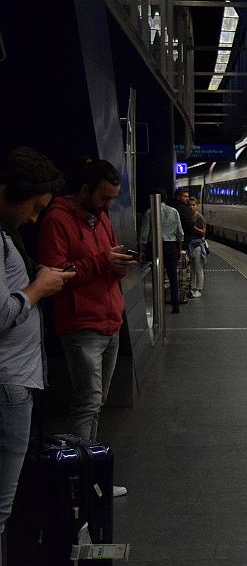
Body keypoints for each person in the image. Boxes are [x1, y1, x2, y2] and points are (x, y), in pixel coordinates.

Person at [36, 158, 134, 498]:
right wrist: (102, 263)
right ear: (84, 189)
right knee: (87, 402)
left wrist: (117, 266)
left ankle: (89, 470)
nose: (108, 206)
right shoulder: (57, 221)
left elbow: (105, 260)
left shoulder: (102, 218)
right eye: (104, 198)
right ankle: (81, 481)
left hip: (110, 320)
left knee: (98, 401)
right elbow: (56, 275)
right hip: (81, 325)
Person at [0, 148, 74, 551]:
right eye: (34, 207)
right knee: (1, 505)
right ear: (13, 190)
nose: (33, 218)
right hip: (7, 382)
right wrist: (38, 288)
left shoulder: (7, 234)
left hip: (14, 381)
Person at [138, 190, 184, 312]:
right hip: (171, 246)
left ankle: (157, 304)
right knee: (173, 276)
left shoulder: (149, 212)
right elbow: (180, 233)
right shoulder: (174, 211)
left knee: (155, 276)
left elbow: (145, 233)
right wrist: (179, 249)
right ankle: (175, 305)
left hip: (154, 247)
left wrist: (142, 250)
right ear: (166, 198)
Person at [187, 197, 207, 298]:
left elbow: (203, 232)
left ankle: (199, 289)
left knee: (198, 268)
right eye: (189, 205)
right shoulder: (188, 217)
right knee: (192, 269)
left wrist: (193, 227)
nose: (191, 207)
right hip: (190, 246)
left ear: (197, 206)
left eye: (193, 205)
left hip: (198, 245)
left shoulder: (200, 218)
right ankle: (193, 288)